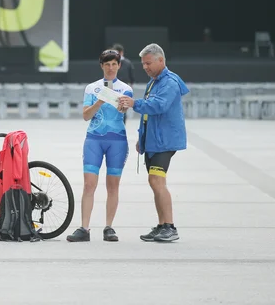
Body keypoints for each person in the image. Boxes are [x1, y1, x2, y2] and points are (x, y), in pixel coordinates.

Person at [117, 43, 189, 242]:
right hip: (154, 141)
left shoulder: (169, 82)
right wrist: (142, 138)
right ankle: (161, 225)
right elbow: (148, 116)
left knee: (157, 181)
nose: (145, 67)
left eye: (149, 63)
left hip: (165, 142)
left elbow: (159, 106)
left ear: (161, 61)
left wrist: (134, 103)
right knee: (155, 182)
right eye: (143, 64)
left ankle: (170, 227)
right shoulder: (154, 82)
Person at [67, 49, 133, 243]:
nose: (111, 68)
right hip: (94, 140)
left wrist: (123, 107)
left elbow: (125, 111)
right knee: (89, 185)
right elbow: (86, 116)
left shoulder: (125, 89)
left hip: (117, 141)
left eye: (114, 64)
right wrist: (99, 102)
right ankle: (84, 228)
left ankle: (109, 228)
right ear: (102, 66)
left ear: (119, 66)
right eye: (107, 64)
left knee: (113, 186)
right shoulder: (91, 88)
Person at [113, 43, 135, 123]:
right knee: (123, 106)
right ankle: (122, 124)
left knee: (113, 105)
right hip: (124, 87)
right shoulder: (128, 63)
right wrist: (131, 86)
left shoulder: (112, 62)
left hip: (114, 86)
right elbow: (132, 77)